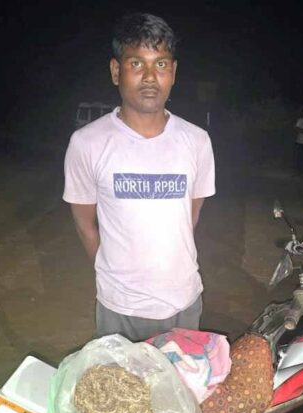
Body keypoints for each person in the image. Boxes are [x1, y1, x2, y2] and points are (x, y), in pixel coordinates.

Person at [62, 12, 216, 342]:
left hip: (184, 302)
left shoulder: (197, 141)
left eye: (160, 64)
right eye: (136, 64)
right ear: (116, 71)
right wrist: (117, 277)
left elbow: (191, 215)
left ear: (173, 73)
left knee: (181, 376)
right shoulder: (87, 143)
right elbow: (85, 224)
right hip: (120, 309)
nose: (149, 77)